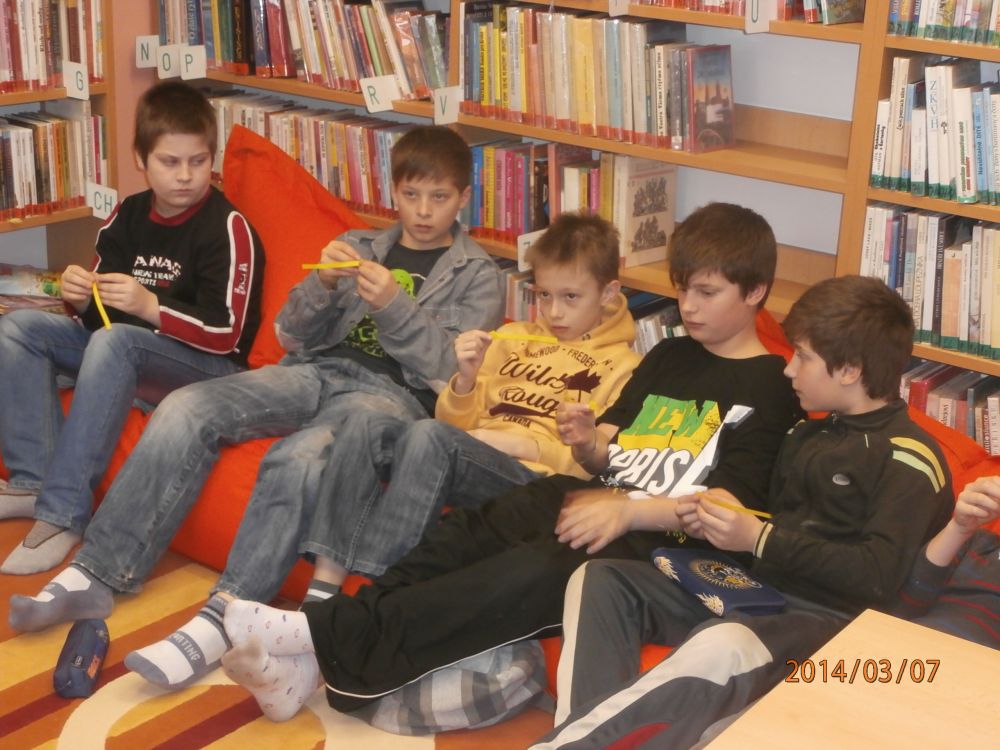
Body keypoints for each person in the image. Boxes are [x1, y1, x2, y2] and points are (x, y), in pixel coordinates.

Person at [215, 200, 806, 723]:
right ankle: (318, 653)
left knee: (517, 574)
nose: (689, 306)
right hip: (593, 496)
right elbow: (609, 445)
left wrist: (628, 510)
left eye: (707, 293)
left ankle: (314, 636)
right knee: (465, 535)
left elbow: (727, 510)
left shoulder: (772, 386)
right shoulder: (669, 355)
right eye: (683, 290)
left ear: (755, 292)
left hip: (654, 538)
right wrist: (586, 440)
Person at [8, 125, 504, 690]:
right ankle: (98, 571)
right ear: (395, 192)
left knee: (299, 457)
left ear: (464, 198)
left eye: (439, 197)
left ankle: (222, 616)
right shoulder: (361, 244)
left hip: (387, 400)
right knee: (188, 406)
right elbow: (289, 333)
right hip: (309, 371)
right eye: (411, 195)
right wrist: (322, 287)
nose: (423, 211)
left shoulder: (480, 277)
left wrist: (394, 306)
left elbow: (448, 373)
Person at [124, 211, 642, 693]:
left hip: (531, 481)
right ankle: (322, 597)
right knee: (369, 422)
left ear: (609, 293)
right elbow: (454, 419)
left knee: (427, 437)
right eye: (544, 296)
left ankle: (358, 610)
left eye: (570, 297)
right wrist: (464, 381)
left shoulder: (625, 367)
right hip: (470, 449)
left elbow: (596, 465)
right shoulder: (511, 337)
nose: (554, 311)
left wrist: (523, 442)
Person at [527, 274, 955, 750]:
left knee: (725, 643)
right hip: (755, 591)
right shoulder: (805, 434)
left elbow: (877, 576)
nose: (789, 370)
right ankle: (578, 734)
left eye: (803, 357)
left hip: (830, 621)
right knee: (602, 577)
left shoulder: (909, 457)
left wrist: (757, 537)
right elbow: (770, 525)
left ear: (850, 370)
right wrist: (717, 515)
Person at [0, 81, 265, 575]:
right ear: (141, 159)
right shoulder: (129, 213)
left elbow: (228, 335)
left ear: (212, 159)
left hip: (211, 370)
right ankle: (33, 479)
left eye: (198, 161)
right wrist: (82, 300)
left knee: (117, 342)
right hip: (129, 350)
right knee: (18, 330)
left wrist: (152, 307)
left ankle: (64, 512)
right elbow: (103, 318)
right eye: (170, 162)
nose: (185, 175)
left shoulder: (228, 228)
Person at [891, 475, 999, 649]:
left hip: (969, 660)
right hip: (907, 643)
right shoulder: (978, 541)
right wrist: (959, 528)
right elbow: (908, 604)